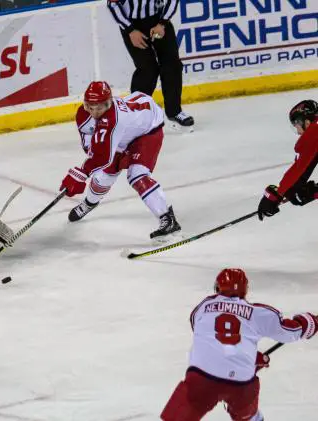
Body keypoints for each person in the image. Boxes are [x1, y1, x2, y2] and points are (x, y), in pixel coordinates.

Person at [161, 268, 318, 420]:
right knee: (250, 417)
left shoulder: (204, 306)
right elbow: (291, 332)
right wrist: (311, 322)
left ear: (217, 287)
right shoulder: (257, 312)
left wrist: (245, 356)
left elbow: (202, 332)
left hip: (202, 378)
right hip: (241, 383)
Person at [60, 81, 181, 240]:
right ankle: (89, 203)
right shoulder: (83, 114)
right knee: (103, 176)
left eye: (99, 108)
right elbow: (92, 148)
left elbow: (103, 156)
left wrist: (82, 172)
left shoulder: (114, 119)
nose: (94, 112)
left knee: (137, 175)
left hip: (148, 130)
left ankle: (168, 218)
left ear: (109, 104)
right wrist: (84, 172)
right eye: (90, 107)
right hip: (124, 133)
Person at [107, 0, 193, 129]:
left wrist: (163, 23)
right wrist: (130, 30)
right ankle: (135, 114)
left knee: (172, 64)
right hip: (132, 25)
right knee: (147, 69)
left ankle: (174, 111)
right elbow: (112, 4)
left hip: (158, 21)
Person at [257, 100, 318, 220]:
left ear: (306, 121)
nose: (299, 132)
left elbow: (299, 169)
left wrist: (278, 194)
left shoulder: (314, 132)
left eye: (297, 126)